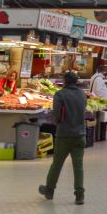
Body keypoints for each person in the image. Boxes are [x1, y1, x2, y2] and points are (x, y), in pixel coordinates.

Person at [38, 72, 88, 205]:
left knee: (57, 164)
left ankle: (49, 190)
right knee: (78, 166)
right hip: (80, 134)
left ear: (65, 81)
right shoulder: (82, 94)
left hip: (64, 135)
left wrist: (52, 120)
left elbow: (57, 115)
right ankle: (79, 195)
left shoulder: (60, 94)